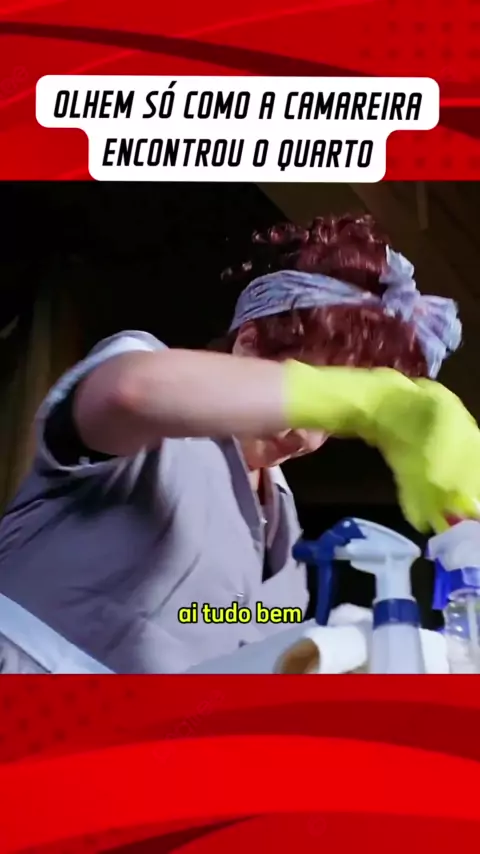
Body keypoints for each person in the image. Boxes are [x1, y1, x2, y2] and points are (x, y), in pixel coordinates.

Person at [0, 213, 478, 674]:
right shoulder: (156, 420)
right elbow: (129, 391)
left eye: (333, 423)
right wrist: (373, 402)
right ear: (249, 343)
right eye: (326, 394)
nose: (307, 436)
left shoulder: (287, 542)